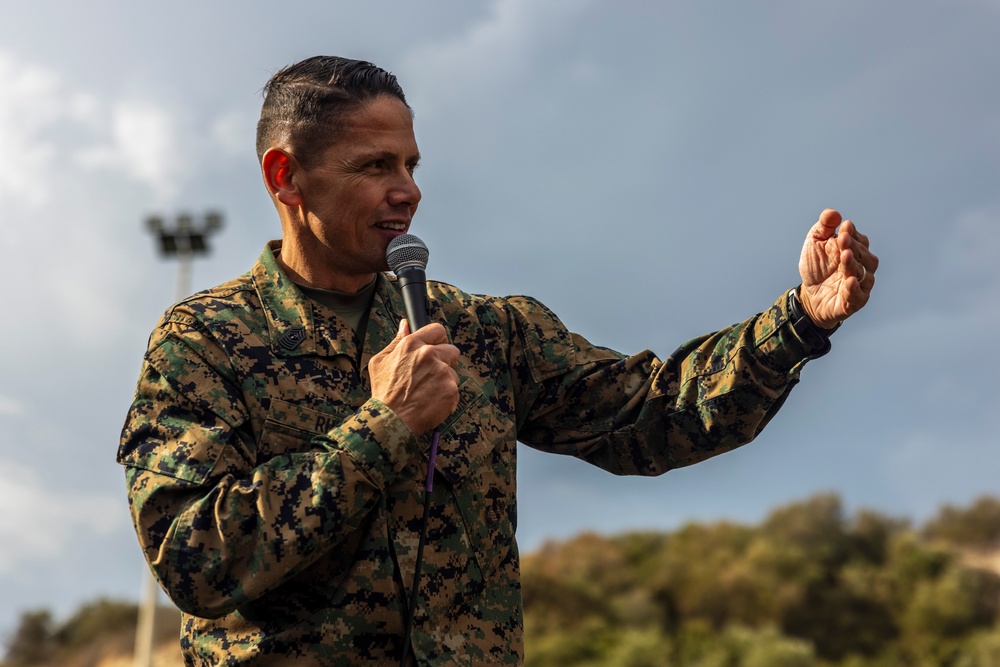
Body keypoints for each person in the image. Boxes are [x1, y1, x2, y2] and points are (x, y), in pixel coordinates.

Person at [118, 56, 878, 666]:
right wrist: (383, 426)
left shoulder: (483, 331)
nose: (407, 191)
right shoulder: (204, 340)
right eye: (375, 165)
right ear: (285, 177)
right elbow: (194, 560)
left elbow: (655, 414)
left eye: (412, 164)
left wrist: (801, 320)